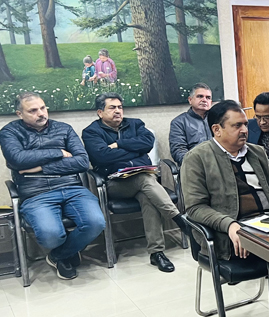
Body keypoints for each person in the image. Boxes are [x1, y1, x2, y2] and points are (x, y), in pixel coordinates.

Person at [0, 92, 105, 280]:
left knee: (95, 223)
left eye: (42, 108)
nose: (41, 113)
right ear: (19, 114)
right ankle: (68, 251)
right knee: (50, 235)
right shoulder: (9, 132)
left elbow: (82, 162)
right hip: (36, 193)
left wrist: (40, 167)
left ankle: (58, 255)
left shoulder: (64, 129)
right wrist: (59, 152)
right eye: (33, 110)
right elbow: (18, 159)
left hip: (72, 188)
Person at [82, 92, 186, 272]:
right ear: (100, 112)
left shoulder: (135, 124)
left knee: (147, 195)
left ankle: (157, 253)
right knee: (145, 180)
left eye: (120, 107)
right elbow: (102, 156)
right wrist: (135, 150)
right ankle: (179, 218)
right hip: (115, 183)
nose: (118, 111)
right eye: (112, 108)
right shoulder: (91, 132)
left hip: (143, 180)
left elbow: (147, 143)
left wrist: (119, 145)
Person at [181, 99, 269, 262]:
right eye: (237, 125)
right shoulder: (197, 158)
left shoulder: (257, 152)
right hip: (232, 233)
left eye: (245, 124)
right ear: (217, 130)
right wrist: (230, 225)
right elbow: (196, 208)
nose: (245, 130)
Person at [169, 82, 213, 165]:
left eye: (208, 98)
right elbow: (178, 151)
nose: (204, 100)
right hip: (193, 166)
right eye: (200, 96)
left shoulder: (218, 119)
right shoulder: (179, 122)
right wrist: (195, 163)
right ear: (190, 100)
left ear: (211, 102)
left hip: (217, 164)